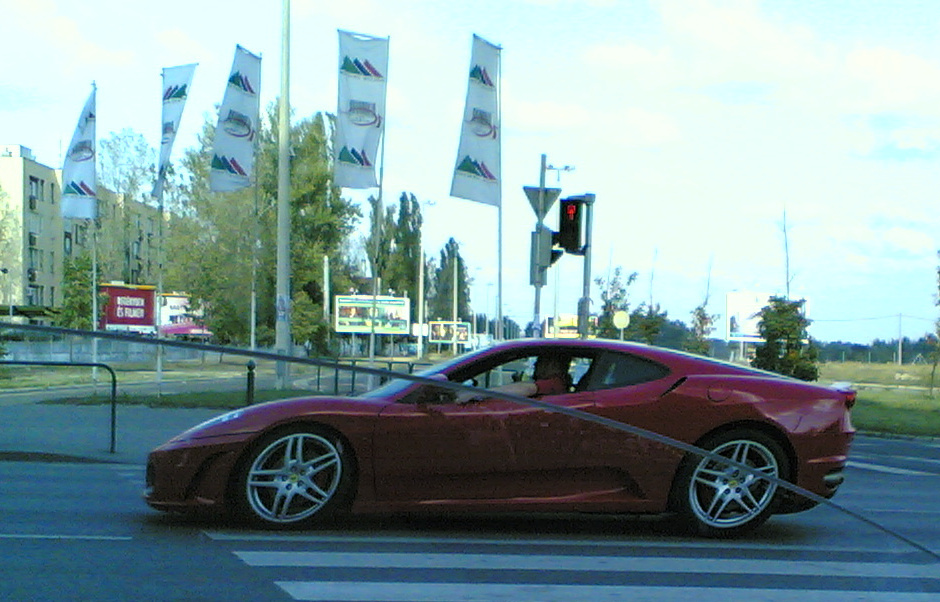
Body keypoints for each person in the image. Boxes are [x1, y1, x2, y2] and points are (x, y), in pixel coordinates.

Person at [456, 354, 571, 404]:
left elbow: (527, 389)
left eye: (541, 361)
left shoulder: (555, 383)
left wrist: (477, 394)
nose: (536, 365)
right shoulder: (557, 382)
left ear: (554, 364)